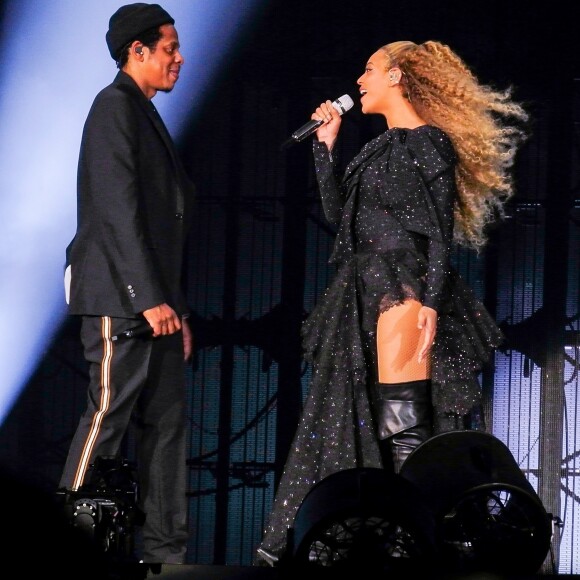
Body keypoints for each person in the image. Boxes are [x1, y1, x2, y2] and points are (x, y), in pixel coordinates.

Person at [257, 40, 528, 563]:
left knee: (403, 420)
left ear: (398, 76)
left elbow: (437, 234)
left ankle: (418, 539)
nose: (360, 79)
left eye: (369, 69)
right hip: (362, 284)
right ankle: (393, 532)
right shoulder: (377, 148)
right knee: (370, 417)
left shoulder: (428, 143)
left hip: (401, 283)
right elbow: (342, 220)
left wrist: (429, 301)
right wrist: (326, 148)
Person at [59, 3, 195, 566]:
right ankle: (66, 535)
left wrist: (177, 310)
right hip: (123, 297)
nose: (179, 58)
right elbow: (117, 211)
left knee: (167, 426)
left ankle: (166, 554)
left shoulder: (140, 111)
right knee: (108, 412)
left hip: (157, 303)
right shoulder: (113, 107)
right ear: (137, 52)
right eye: (169, 48)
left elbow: (162, 222)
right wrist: (149, 298)